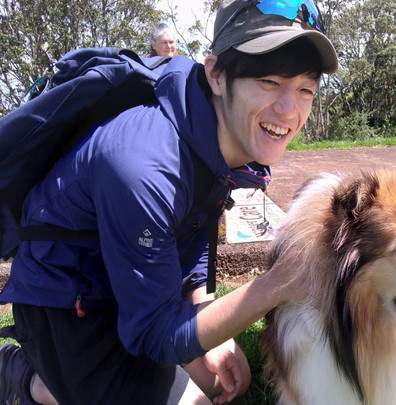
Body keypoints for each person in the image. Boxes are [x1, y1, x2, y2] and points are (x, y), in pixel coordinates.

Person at [0, 0, 337, 403]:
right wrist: (275, 285)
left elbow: (196, 226)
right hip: (71, 300)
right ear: (216, 74)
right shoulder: (145, 166)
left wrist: (202, 306)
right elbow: (153, 335)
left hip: (137, 280)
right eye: (269, 82)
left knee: (230, 380)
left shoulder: (211, 129)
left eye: (305, 90)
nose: (288, 110)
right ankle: (23, 376)